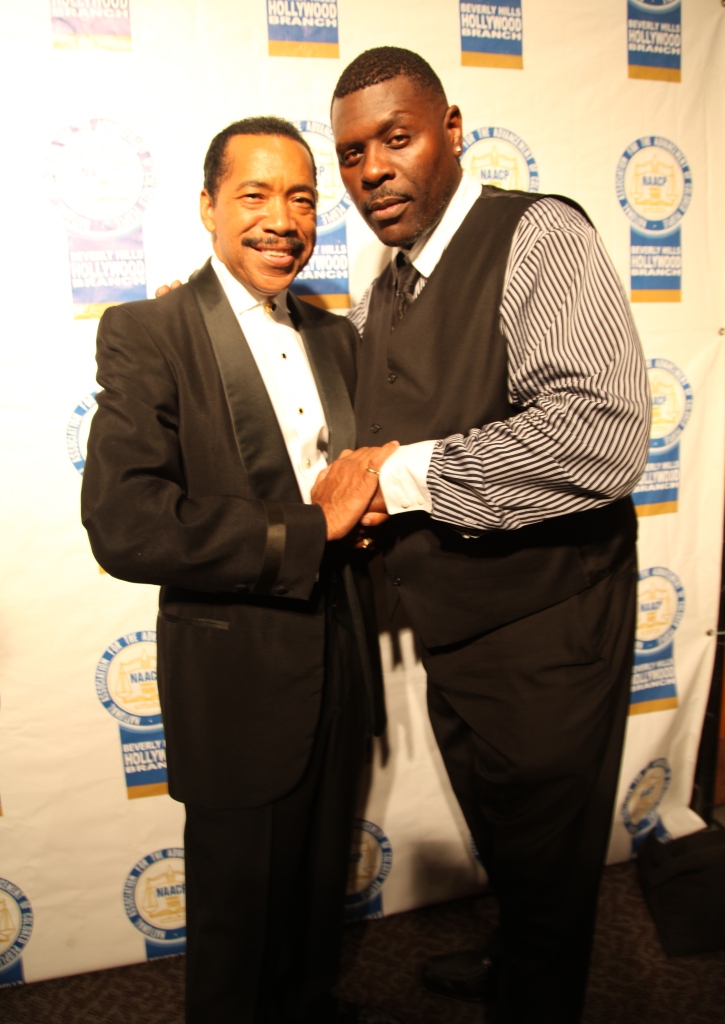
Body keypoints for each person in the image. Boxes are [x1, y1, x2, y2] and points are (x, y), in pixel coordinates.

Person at [319, 47, 651, 1024]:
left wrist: (401, 475)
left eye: (395, 138)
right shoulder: (389, 283)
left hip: (550, 625)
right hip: (457, 630)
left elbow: (599, 428)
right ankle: (516, 961)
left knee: (548, 865)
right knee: (506, 844)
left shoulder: (534, 233)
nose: (371, 169)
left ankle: (534, 991)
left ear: (451, 131)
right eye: (349, 154)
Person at [81, 116, 401, 1024]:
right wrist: (307, 530)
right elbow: (125, 524)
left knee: (313, 891)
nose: (282, 218)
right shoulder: (149, 330)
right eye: (255, 195)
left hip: (340, 652)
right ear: (208, 209)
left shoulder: (339, 338)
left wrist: (368, 511)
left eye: (301, 197)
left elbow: (354, 475)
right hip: (235, 674)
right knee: (236, 915)